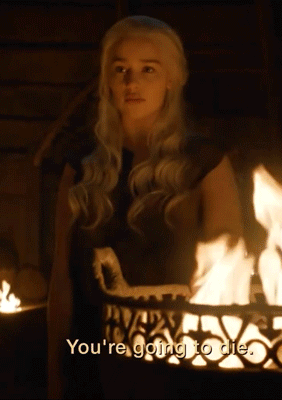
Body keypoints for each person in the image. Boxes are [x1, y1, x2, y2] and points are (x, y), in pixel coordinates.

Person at [47, 15, 244, 399]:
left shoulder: (205, 163)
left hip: (178, 362)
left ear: (172, 77)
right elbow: (62, 278)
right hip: (92, 356)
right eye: (120, 69)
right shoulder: (80, 164)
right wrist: (55, 374)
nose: (131, 83)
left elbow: (229, 279)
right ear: (107, 79)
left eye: (148, 69)